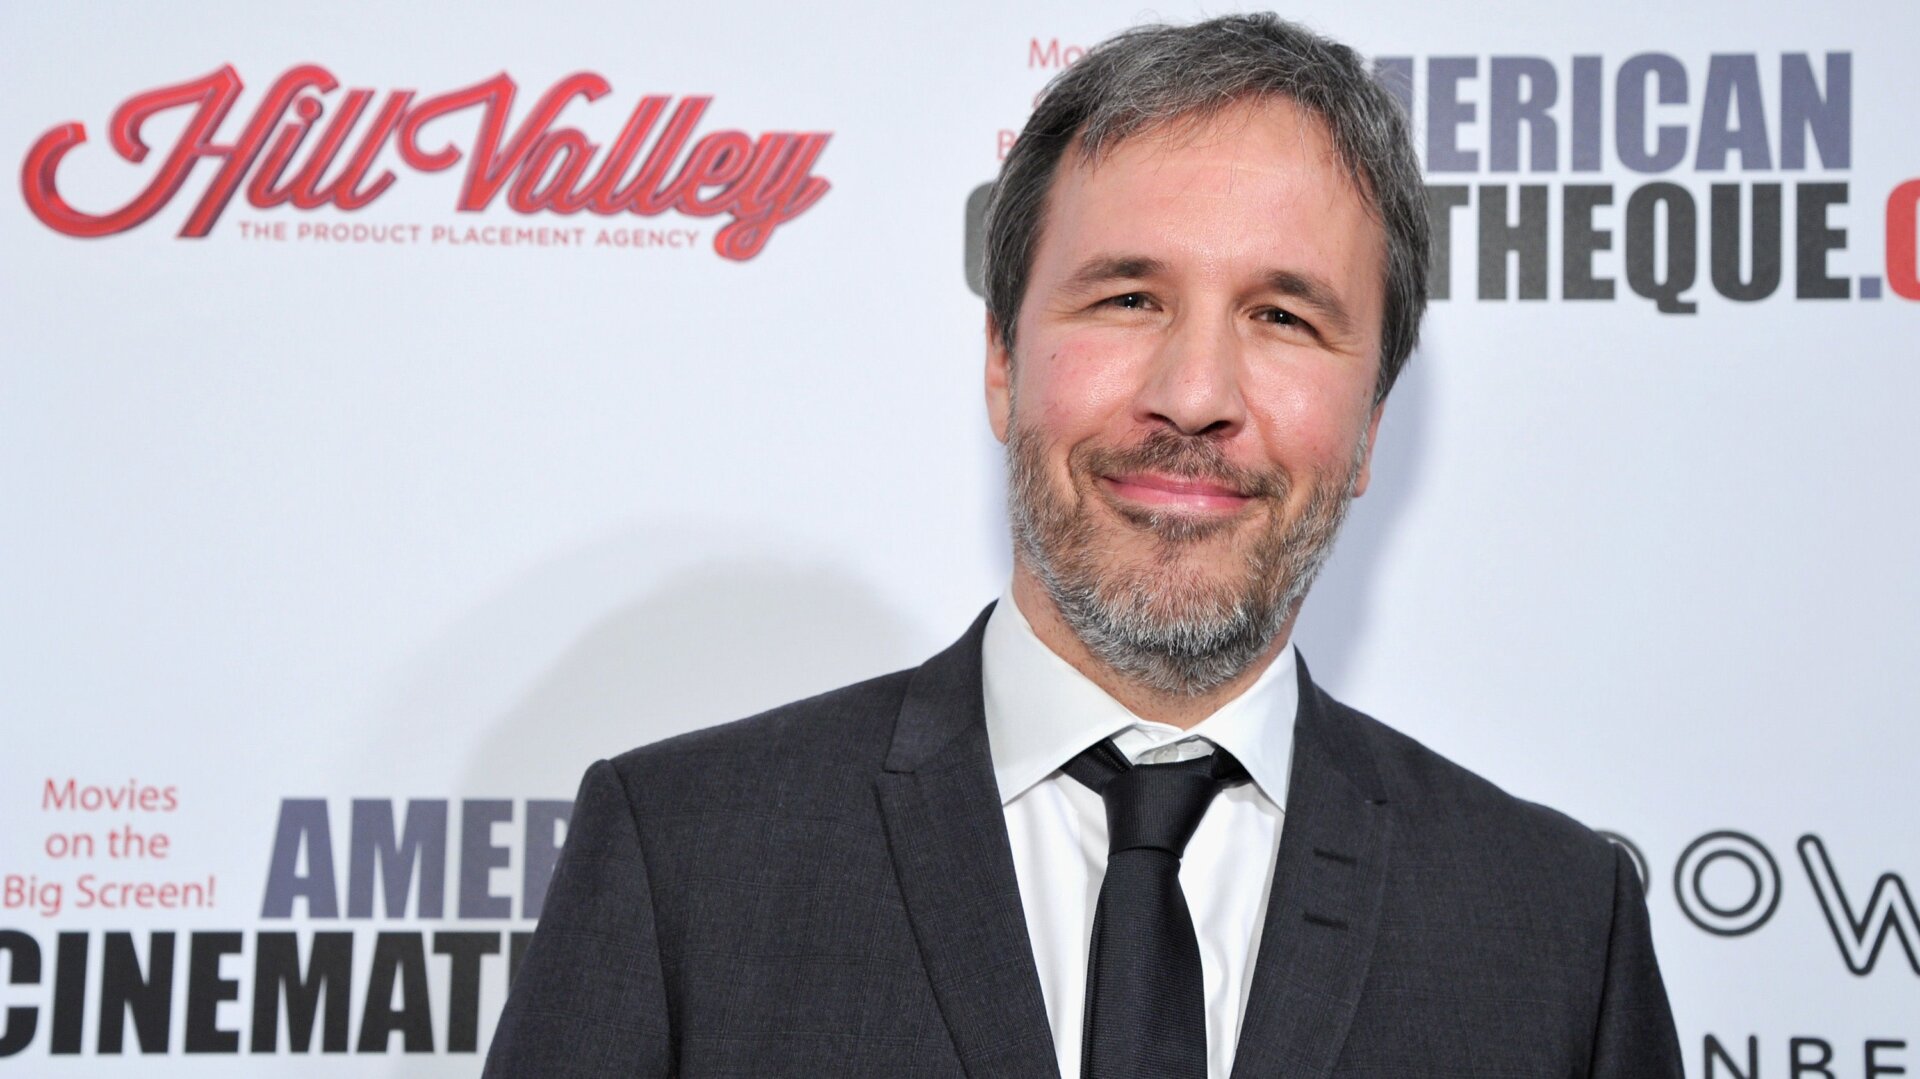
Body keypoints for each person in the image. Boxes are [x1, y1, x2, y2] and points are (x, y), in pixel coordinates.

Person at [483, 13, 1684, 1078]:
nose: (1195, 392)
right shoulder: (688, 857)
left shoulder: (1558, 932)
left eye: (1282, 316)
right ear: (1001, 362)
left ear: (1370, 424)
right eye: (1127, 298)